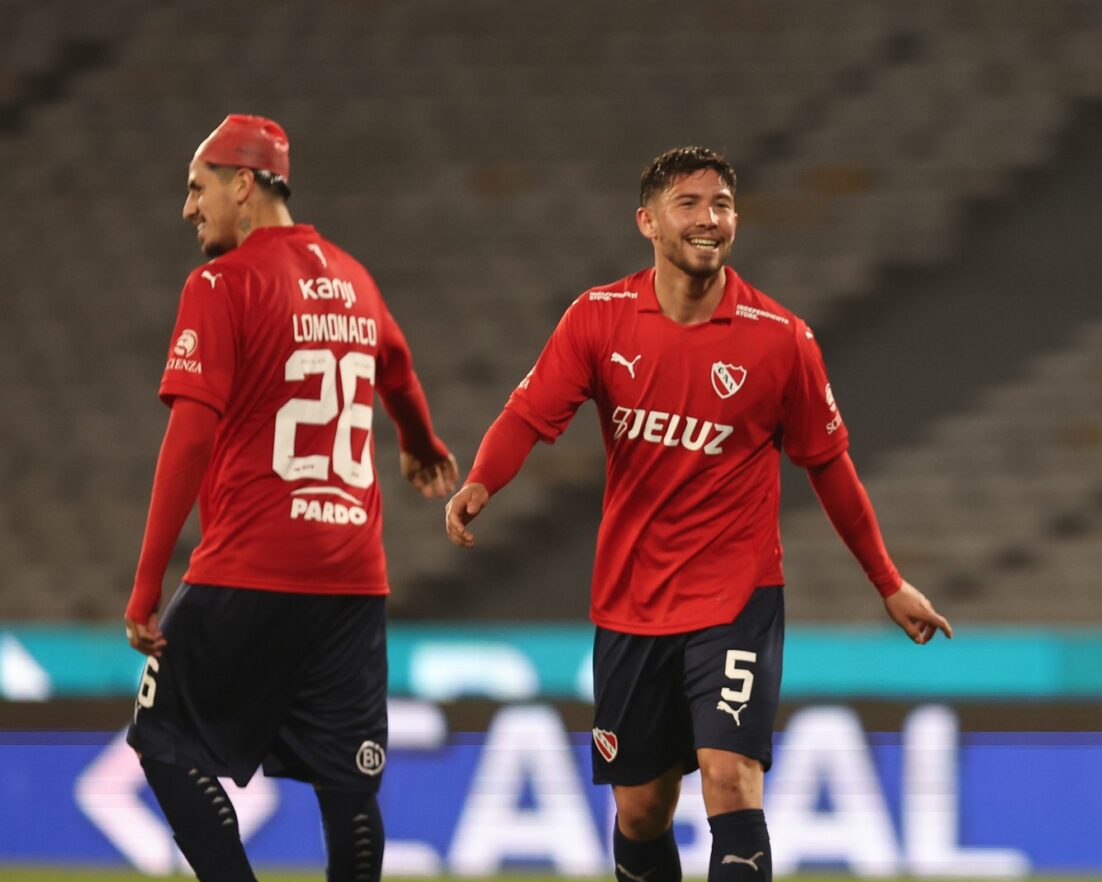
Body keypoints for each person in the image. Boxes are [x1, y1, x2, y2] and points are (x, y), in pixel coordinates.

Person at [445, 146, 952, 882]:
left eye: (722, 205)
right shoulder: (599, 319)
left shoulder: (781, 341)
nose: (709, 219)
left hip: (736, 595)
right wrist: (483, 482)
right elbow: (528, 416)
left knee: (729, 776)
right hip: (631, 602)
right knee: (641, 812)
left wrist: (888, 581)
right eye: (690, 204)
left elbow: (831, 469)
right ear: (648, 222)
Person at [123, 114, 458, 882]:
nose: (188, 208)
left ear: (243, 185)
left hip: (249, 565)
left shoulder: (220, 283)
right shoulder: (355, 278)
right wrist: (418, 439)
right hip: (351, 577)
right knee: (348, 782)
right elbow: (398, 367)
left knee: (162, 736)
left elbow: (191, 437)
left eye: (197, 187)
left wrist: (147, 584)